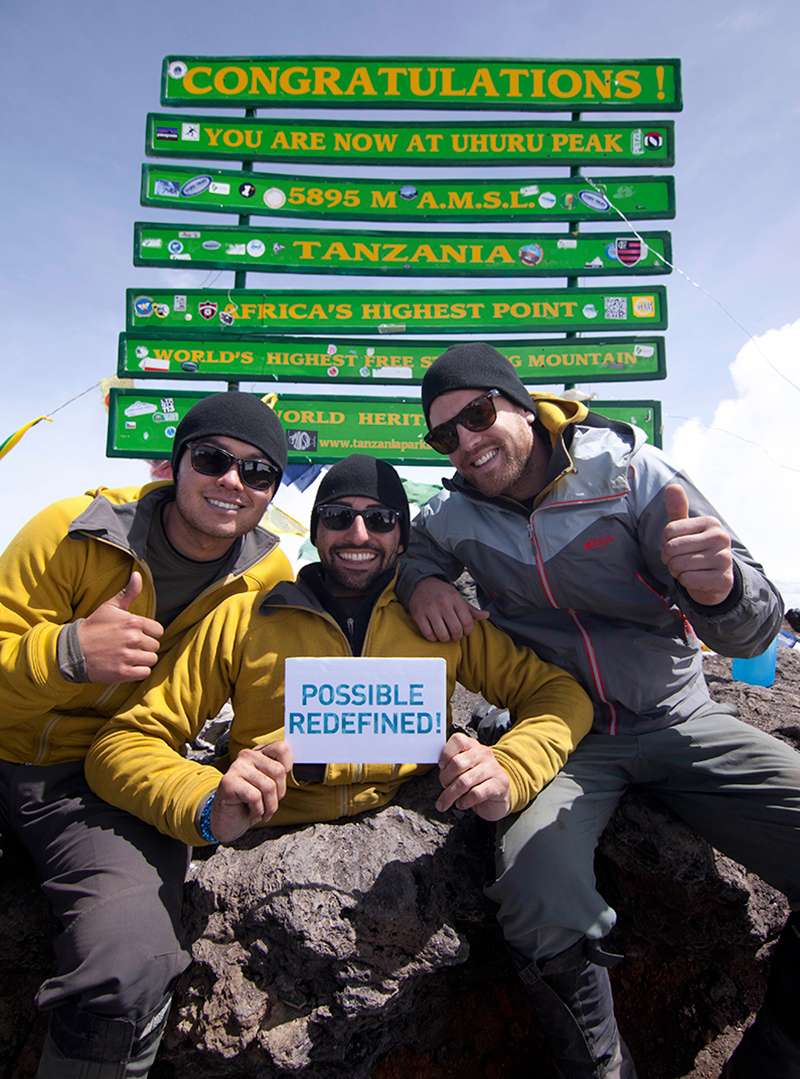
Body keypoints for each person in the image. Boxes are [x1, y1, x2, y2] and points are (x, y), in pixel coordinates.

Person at [394, 342, 797, 1079]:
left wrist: (719, 590)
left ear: (522, 403)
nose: (465, 443)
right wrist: (421, 582)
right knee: (537, 893)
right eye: (443, 435)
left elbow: (757, 626)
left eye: (478, 415)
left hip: (681, 717)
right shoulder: (451, 514)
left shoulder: (637, 475)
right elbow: (413, 553)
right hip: (566, 737)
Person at [85, 452, 591, 868]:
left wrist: (510, 769)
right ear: (316, 529)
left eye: (380, 519)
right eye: (337, 516)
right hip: (260, 852)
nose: (358, 533)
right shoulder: (243, 617)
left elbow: (560, 695)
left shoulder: (442, 620)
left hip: (417, 842)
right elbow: (122, 745)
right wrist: (206, 801)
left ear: (402, 536)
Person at [0, 390, 291, 1078]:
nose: (232, 481)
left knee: (130, 959)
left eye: (257, 472)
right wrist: (69, 652)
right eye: (214, 457)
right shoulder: (71, 531)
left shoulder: (266, 579)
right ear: (174, 463)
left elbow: (264, 713)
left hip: (95, 787)